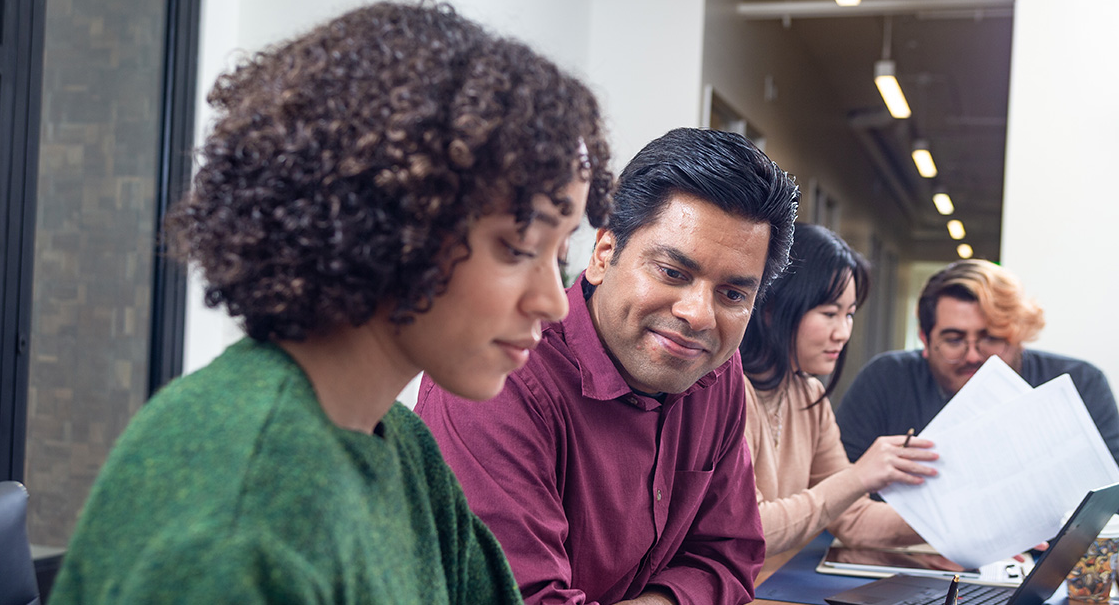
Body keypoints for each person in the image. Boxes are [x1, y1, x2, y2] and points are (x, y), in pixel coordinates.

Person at [48, 0, 617, 604]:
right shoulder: (240, 512)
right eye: (518, 247)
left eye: (559, 258)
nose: (554, 303)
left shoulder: (400, 446)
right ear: (393, 219)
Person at [416, 128, 798, 605]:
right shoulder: (498, 374)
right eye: (673, 273)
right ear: (603, 254)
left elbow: (730, 559)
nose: (698, 315)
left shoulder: (715, 371)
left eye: (733, 294)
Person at [739, 223, 937, 557]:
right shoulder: (729, 391)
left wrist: (964, 522)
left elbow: (854, 519)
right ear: (772, 308)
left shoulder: (808, 395)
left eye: (850, 314)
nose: (843, 332)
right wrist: (858, 477)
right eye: (830, 313)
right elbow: (750, 531)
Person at [837, 259, 1119, 465]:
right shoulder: (886, 380)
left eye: (991, 339)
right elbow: (841, 484)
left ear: (1017, 336)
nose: (973, 355)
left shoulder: (1079, 383)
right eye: (954, 340)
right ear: (924, 338)